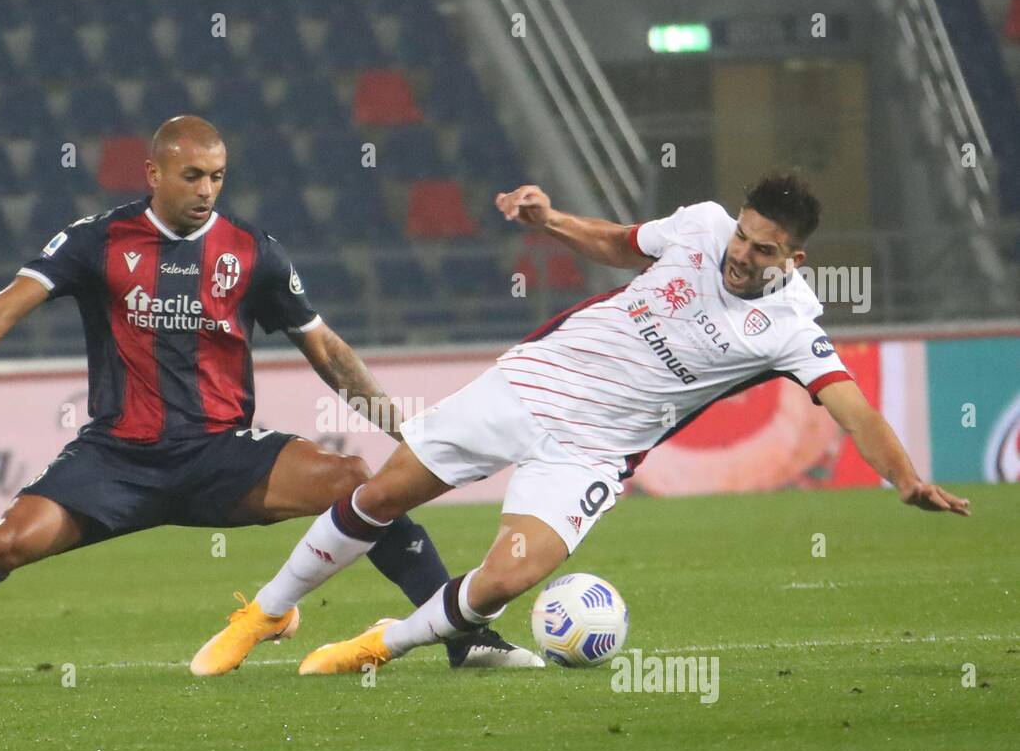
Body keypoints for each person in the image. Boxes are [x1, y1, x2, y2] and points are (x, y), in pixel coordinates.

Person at [0, 116, 539, 690]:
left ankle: (464, 636)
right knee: (5, 544)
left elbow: (328, 352)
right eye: (192, 175)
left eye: (217, 176)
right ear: (153, 171)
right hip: (117, 460)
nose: (206, 189)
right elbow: (3, 309)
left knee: (358, 482)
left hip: (223, 455)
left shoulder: (253, 251)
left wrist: (406, 428)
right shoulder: (98, 241)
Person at [205, 172, 972, 676]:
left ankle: (381, 642)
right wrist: (549, 221)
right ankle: (267, 612)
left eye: (762, 248)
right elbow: (619, 243)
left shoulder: (791, 327)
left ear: (794, 257)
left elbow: (853, 407)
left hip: (594, 450)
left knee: (510, 574)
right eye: (742, 234)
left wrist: (904, 478)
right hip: (527, 384)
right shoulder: (702, 225)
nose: (740, 253)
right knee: (382, 495)